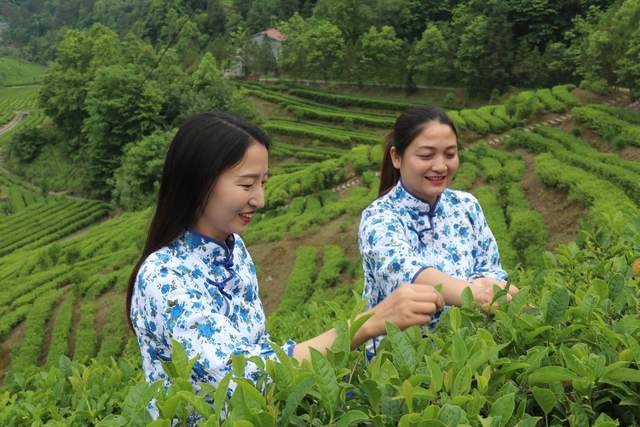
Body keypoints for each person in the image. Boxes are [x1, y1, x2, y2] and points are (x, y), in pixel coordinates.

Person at [127, 111, 445, 416]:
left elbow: (260, 351)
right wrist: (366, 323)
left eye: (263, 182)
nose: (260, 199)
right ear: (200, 181)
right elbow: (245, 378)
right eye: (247, 184)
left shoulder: (234, 248)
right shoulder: (163, 276)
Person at [358, 106, 518, 355]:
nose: (441, 166)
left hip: (465, 351)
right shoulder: (379, 217)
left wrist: (491, 288)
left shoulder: (466, 206)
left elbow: (490, 268)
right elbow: (403, 272)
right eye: (426, 156)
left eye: (450, 154)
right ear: (397, 157)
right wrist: (472, 294)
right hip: (398, 362)